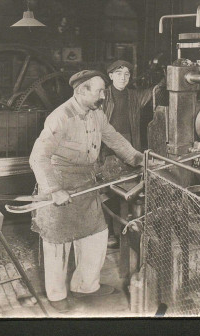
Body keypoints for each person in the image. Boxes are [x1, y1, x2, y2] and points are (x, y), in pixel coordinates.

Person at [29, 70, 145, 313]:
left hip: (86, 181)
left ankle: (85, 285)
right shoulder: (60, 117)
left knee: (95, 235)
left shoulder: (97, 114)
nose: (104, 95)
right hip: (59, 182)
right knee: (58, 242)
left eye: (104, 90)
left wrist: (138, 159)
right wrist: (54, 189)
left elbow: (114, 139)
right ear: (81, 91)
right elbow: (38, 157)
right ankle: (57, 294)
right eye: (100, 90)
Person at [100, 60, 153, 248]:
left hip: (130, 147)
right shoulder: (102, 95)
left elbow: (156, 91)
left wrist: (166, 75)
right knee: (108, 191)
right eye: (119, 73)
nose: (123, 78)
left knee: (130, 191)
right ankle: (110, 234)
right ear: (111, 76)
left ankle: (128, 231)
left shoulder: (134, 96)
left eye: (127, 74)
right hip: (107, 150)